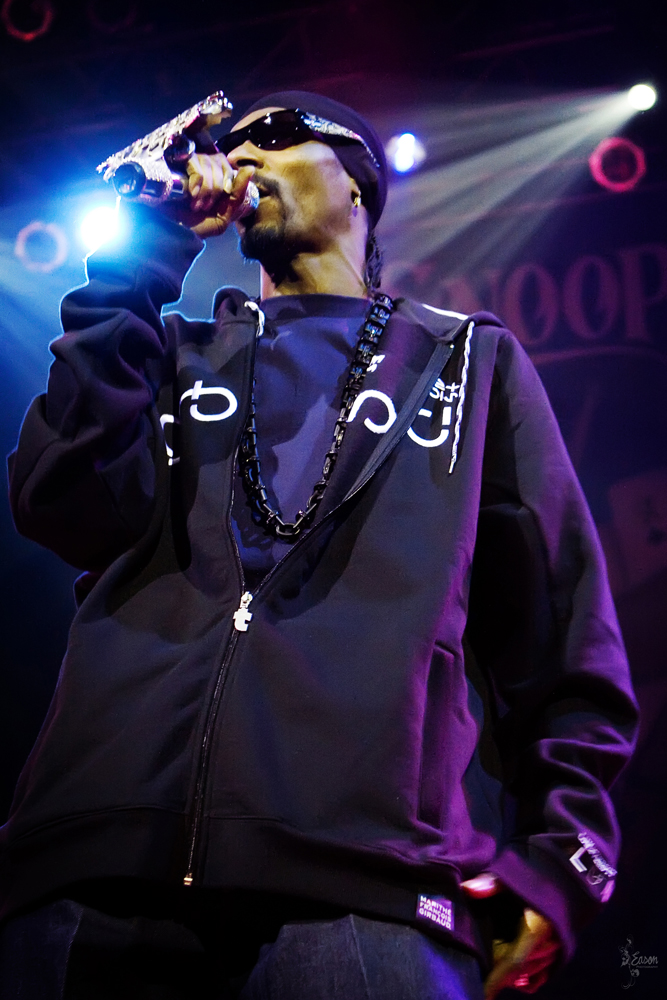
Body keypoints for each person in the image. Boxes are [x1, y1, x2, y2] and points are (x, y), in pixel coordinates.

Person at [0, 91, 638, 999]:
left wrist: (564, 862)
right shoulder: (166, 351)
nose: (240, 156)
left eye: (274, 135)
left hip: (365, 890)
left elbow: (563, 635)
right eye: (230, 144)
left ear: (358, 184)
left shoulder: (464, 361)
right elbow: (61, 505)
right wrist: (135, 269)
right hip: (92, 872)